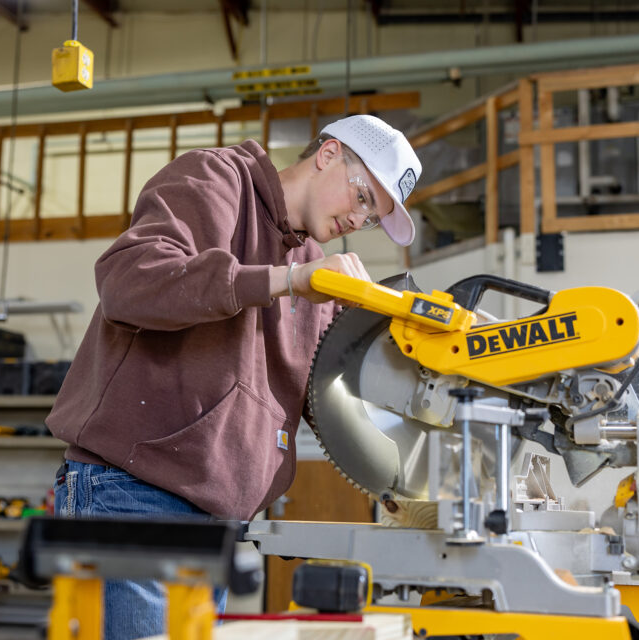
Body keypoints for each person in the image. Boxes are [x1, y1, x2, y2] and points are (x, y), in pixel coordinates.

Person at [45, 113, 421, 640]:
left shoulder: (315, 270)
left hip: (216, 522)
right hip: (135, 495)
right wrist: (287, 280)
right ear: (329, 153)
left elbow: (328, 396)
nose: (359, 220)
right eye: (362, 197)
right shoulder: (217, 179)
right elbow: (128, 284)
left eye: (373, 217)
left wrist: (397, 482)